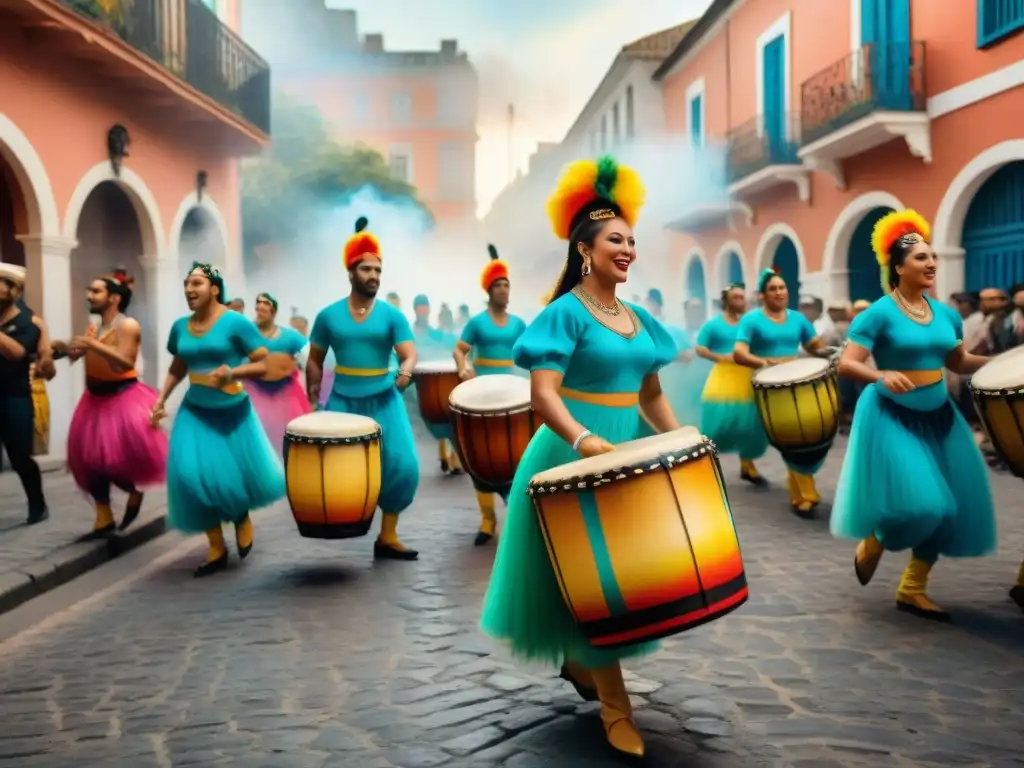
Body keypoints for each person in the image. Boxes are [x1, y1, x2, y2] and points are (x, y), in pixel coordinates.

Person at [480, 156, 679, 758]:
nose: (628, 249)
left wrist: (680, 438)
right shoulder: (562, 313)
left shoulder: (639, 318)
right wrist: (582, 439)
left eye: (632, 241)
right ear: (585, 250)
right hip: (567, 458)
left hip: (628, 453)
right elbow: (543, 396)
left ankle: (578, 659)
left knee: (615, 577)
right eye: (616, 240)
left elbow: (649, 392)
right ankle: (617, 710)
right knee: (600, 581)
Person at [831, 210, 996, 622]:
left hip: (939, 415)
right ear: (898, 266)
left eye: (934, 256)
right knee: (923, 504)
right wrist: (880, 375)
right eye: (921, 258)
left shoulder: (946, 314)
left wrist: (1003, 361)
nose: (932, 264)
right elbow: (847, 364)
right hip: (891, 414)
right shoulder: (879, 313)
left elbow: (958, 362)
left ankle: (912, 588)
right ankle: (877, 539)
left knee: (951, 506)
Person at [150, 263, 286, 577]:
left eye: (196, 283)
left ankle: (240, 516)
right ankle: (216, 547)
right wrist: (160, 399)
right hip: (194, 409)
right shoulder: (180, 326)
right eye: (186, 284)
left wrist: (230, 373)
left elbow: (263, 365)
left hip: (233, 411)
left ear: (214, 289)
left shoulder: (236, 323)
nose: (189, 290)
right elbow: (178, 366)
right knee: (189, 475)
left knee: (225, 480)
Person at [306, 217, 421, 561]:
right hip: (342, 402)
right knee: (340, 472)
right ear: (351, 272)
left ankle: (388, 536)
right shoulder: (328, 316)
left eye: (378, 270)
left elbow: (409, 352)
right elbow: (315, 358)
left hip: (385, 399)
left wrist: (406, 369)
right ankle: (344, 522)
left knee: (403, 466)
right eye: (366, 269)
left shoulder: (391, 315)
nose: (373, 276)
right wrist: (313, 390)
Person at [59, 269, 168, 539]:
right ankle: (104, 517)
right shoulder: (94, 327)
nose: (89, 295)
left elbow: (125, 361)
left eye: (96, 291)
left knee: (110, 461)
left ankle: (133, 490)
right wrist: (65, 350)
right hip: (93, 400)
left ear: (114, 298)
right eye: (90, 290)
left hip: (122, 399)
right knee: (88, 460)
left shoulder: (127, 325)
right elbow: (81, 355)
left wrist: (92, 345)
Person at [733, 269, 830, 516]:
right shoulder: (751, 320)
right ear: (763, 295)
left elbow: (815, 347)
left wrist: (836, 351)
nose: (779, 292)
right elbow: (739, 353)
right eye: (773, 289)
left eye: (782, 287)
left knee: (799, 439)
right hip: (768, 386)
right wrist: (763, 363)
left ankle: (800, 495)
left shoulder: (798, 319)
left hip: (797, 382)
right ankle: (805, 494)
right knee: (792, 438)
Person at [452, 244, 527, 545]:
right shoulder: (477, 323)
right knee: (480, 462)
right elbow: (460, 350)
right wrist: (463, 367)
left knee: (515, 459)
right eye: (499, 285)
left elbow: (531, 351)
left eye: (507, 285)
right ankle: (487, 521)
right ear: (489, 290)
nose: (504, 290)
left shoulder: (519, 323)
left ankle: (515, 519)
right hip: (482, 397)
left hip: (513, 397)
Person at [695, 283, 768, 485]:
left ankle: (748, 466)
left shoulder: (750, 323)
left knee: (749, 424)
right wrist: (719, 356)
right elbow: (700, 347)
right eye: (736, 297)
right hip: (723, 378)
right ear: (726, 302)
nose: (741, 301)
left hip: (747, 377)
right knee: (718, 424)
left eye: (742, 297)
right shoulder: (713, 325)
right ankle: (704, 464)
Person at [0, 264, 48, 524]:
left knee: (20, 456)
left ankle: (37, 503)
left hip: (14, 398)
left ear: (14, 291)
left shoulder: (28, 323)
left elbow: (17, 352)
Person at [245, 293, 311, 456]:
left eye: (265, 304)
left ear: (273, 311)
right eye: (257, 304)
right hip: (255, 393)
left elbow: (311, 361)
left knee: (292, 438)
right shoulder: (245, 335)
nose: (260, 307)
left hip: (286, 394)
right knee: (259, 440)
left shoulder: (291, 337)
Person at [411, 293, 462, 474]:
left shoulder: (435, 333)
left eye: (425, 307)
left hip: (434, 379)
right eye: (420, 307)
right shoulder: (409, 333)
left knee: (445, 415)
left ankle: (451, 459)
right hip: (415, 381)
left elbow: (449, 342)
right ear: (415, 309)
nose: (423, 310)